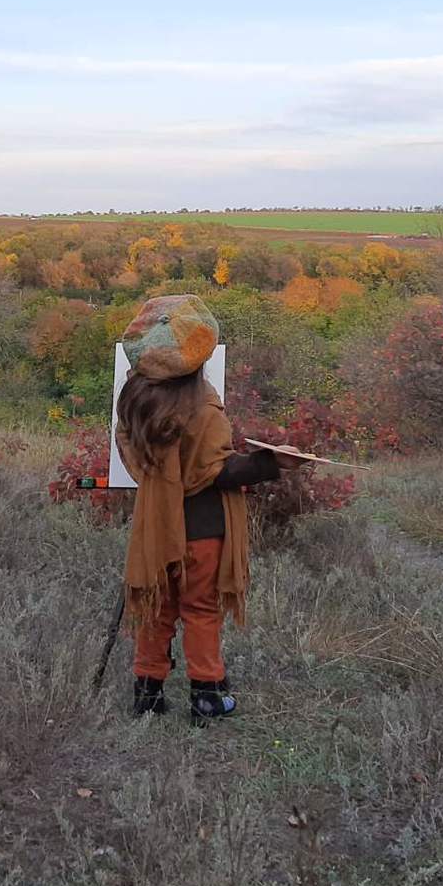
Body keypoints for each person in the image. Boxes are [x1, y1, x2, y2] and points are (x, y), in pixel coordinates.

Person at [113, 294, 306, 722]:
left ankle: (147, 696)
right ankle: (207, 696)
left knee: (155, 609)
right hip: (203, 528)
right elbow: (217, 472)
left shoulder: (131, 400)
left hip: (154, 526)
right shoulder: (204, 409)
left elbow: (138, 461)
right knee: (201, 611)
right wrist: (272, 462)